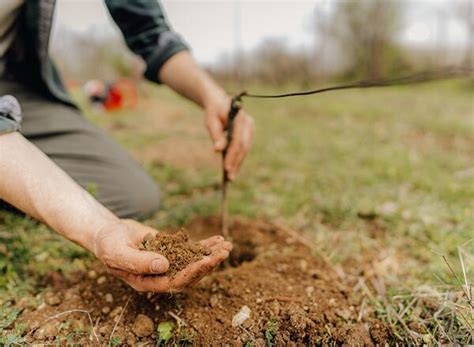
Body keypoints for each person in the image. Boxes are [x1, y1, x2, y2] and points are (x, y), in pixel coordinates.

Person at [0, 0, 254, 292]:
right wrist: (98, 229)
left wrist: (211, 94)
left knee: (132, 194)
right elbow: (95, 226)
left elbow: (146, 26)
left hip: (15, 83)